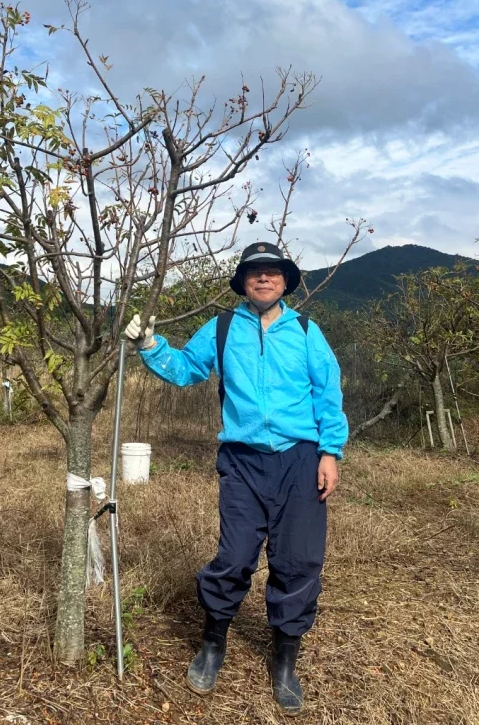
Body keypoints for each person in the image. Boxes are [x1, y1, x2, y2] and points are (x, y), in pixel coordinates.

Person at [125, 241, 348, 715]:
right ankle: (212, 642)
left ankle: (285, 659)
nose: (263, 279)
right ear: (243, 282)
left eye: (272, 272)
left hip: (300, 459)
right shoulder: (223, 327)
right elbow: (186, 369)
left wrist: (330, 453)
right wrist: (149, 345)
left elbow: (328, 394)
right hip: (243, 460)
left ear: (285, 281)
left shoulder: (307, 331)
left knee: (299, 561)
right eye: (254, 273)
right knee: (235, 555)